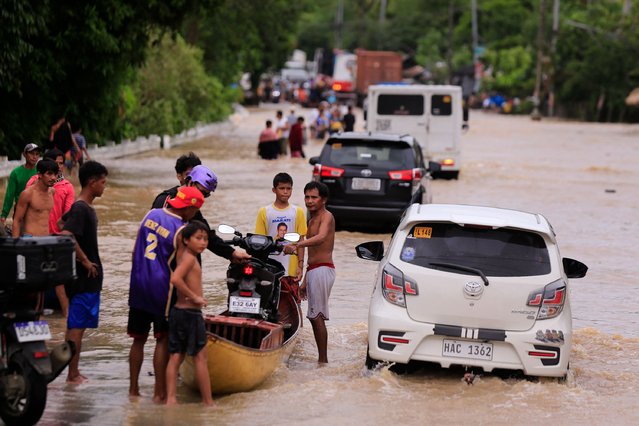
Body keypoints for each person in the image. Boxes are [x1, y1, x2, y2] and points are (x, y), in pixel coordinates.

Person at [127, 186, 205, 403]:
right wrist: (194, 296)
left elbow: (135, 251)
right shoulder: (181, 231)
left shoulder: (151, 214)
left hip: (138, 284)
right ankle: (159, 393)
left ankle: (133, 390)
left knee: (138, 340)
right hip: (162, 290)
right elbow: (182, 268)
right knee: (162, 341)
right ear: (189, 208)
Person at [61, 160, 109, 384]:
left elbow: (61, 225)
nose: (104, 186)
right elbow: (67, 235)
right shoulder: (81, 208)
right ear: (92, 182)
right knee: (76, 328)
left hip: (88, 280)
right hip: (83, 279)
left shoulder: (83, 207)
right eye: (102, 182)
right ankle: (72, 374)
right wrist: (86, 261)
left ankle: (73, 371)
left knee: (76, 326)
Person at [153, 164, 250, 264]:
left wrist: (232, 253)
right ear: (190, 182)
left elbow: (207, 235)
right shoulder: (164, 201)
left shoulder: (192, 208)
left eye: (206, 195)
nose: (202, 198)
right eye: (201, 192)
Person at [284, 181, 335, 363]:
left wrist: (297, 244)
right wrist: (305, 277)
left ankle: (323, 361)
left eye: (314, 197)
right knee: (314, 317)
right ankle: (322, 360)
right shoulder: (310, 219)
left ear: (324, 200)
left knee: (317, 316)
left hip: (323, 270)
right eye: (307, 197)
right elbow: (312, 254)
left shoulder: (326, 217)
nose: (310, 201)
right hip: (314, 270)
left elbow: (320, 238)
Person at [165, 221, 213, 406]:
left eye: (206, 239)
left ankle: (170, 399)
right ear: (186, 240)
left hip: (178, 313)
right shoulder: (189, 258)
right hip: (191, 314)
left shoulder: (182, 254)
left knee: (176, 355)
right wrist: (195, 297)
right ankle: (208, 402)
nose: (203, 242)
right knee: (200, 357)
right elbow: (175, 279)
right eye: (198, 238)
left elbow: (178, 236)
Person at [26, 149, 74, 316]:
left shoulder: (66, 187)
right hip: (33, 239)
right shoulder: (32, 184)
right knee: (33, 280)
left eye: (61, 164)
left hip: (55, 239)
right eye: (56, 165)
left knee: (59, 280)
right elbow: (23, 214)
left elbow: (68, 217)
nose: (59, 168)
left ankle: (66, 315)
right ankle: (35, 312)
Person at [255, 173, 307, 293]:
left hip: (291, 270)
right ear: (274, 190)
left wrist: (300, 266)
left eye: (288, 189)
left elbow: (301, 241)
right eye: (282, 188)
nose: (285, 192)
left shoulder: (298, 212)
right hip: (269, 268)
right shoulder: (264, 212)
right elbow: (260, 241)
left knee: (292, 304)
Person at [12, 159, 58, 238]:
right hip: (30, 241)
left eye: (55, 174)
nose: (53, 177)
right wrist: (16, 244)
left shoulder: (52, 192)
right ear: (39, 174)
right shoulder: (28, 194)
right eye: (49, 174)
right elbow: (17, 220)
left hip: (46, 239)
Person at [1, 143, 40, 227]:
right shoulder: (16, 173)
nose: (34, 156)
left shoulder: (41, 171)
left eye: (37, 154)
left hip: (38, 209)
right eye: (31, 153)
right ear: (24, 154)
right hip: (21, 210)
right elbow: (10, 195)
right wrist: (4, 215)